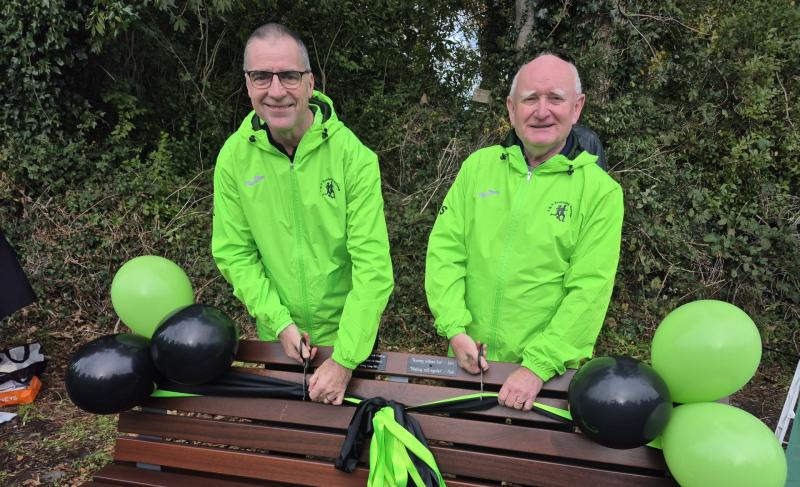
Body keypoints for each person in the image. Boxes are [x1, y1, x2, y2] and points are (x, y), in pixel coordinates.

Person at [425, 53, 624, 411]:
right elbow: (445, 251)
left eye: (555, 99)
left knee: (525, 467)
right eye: (530, 98)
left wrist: (537, 367)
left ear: (576, 108)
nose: (541, 110)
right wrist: (455, 330)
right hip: (468, 362)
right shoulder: (478, 168)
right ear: (511, 108)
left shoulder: (601, 192)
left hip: (545, 380)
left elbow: (589, 290)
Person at [212, 23, 394, 405]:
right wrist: (280, 324)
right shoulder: (233, 158)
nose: (276, 91)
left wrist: (344, 359)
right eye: (261, 76)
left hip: (351, 339)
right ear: (247, 84)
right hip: (280, 341)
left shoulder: (354, 158)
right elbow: (234, 253)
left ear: (310, 82)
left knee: (352, 455)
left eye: (289, 76)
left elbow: (373, 269)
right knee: (286, 453)